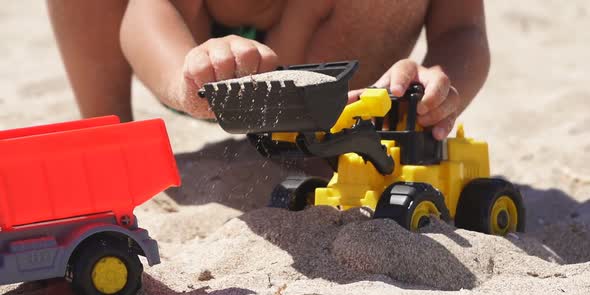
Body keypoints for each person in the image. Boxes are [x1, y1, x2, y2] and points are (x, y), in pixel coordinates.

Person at [47, 0, 489, 140]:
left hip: (324, 63)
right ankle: (104, 133)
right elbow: (151, 7)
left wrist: (440, 81)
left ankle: (313, 130)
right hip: (189, 47)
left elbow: (463, 28)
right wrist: (185, 74)